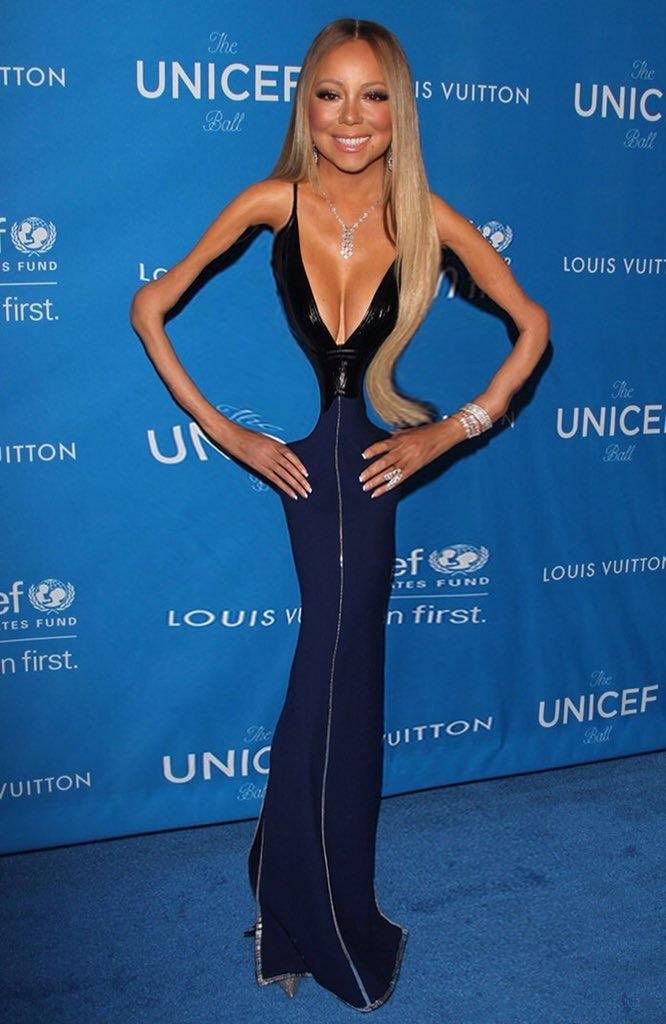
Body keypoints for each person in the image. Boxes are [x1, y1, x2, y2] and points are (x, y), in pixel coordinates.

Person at [130, 16, 550, 1013]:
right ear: (306, 106)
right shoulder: (272, 201)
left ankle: (291, 890)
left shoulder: (424, 214)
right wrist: (229, 433)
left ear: (398, 111)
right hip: (317, 470)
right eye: (330, 94)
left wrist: (451, 432)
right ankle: (304, 908)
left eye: (372, 96)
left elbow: (532, 324)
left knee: (344, 686)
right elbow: (151, 304)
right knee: (331, 684)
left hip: (374, 469)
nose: (350, 117)